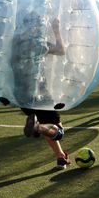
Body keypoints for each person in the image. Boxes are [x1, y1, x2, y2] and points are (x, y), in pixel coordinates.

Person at [13, 15, 71, 170]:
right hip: (40, 92)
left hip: (20, 95)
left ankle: (60, 157)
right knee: (58, 132)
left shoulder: (15, 43)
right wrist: (56, 29)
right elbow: (60, 50)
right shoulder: (38, 44)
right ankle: (38, 127)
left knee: (46, 122)